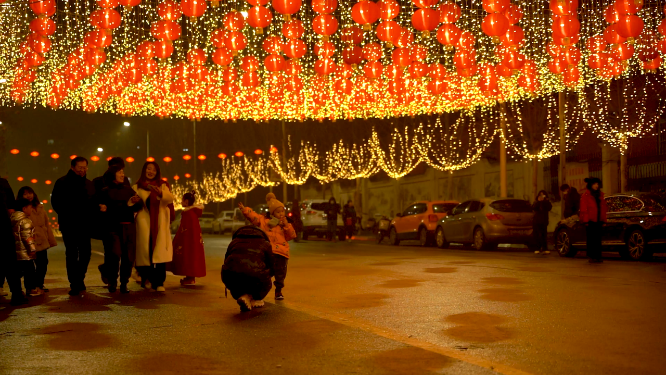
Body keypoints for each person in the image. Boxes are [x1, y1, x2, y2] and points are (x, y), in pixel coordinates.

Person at [51, 156, 95, 296]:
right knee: (71, 253)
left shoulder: (89, 184)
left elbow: (94, 202)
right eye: (80, 168)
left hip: (85, 225)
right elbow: (56, 202)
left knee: (86, 253)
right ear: (72, 167)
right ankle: (74, 283)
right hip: (69, 224)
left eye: (85, 168)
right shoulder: (62, 182)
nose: (83, 170)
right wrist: (68, 213)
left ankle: (79, 278)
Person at [239, 193, 296, 301]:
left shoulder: (285, 224)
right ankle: (258, 292)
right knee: (264, 273)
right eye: (278, 212)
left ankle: (278, 290)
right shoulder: (264, 221)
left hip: (282, 253)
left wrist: (286, 226)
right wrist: (245, 210)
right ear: (273, 213)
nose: (281, 214)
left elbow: (292, 235)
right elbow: (254, 216)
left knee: (280, 274)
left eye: (282, 211)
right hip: (268, 252)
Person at [97, 165, 142, 293]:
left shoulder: (129, 190)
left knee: (128, 257)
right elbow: (101, 208)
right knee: (114, 255)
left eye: (123, 172)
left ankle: (124, 282)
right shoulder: (105, 191)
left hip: (129, 227)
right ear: (113, 175)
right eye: (120, 172)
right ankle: (112, 281)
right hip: (113, 228)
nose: (123, 175)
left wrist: (135, 202)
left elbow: (139, 205)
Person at [130, 161, 174, 292]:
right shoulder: (137, 187)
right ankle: (146, 278)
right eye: (148, 169)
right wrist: (133, 201)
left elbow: (170, 199)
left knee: (159, 254)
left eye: (153, 170)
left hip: (159, 223)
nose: (151, 172)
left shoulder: (163, 185)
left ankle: (159, 282)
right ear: (144, 170)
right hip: (143, 223)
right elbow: (131, 204)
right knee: (145, 253)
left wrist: (161, 193)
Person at [93, 157, 130, 286]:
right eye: (117, 169)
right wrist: (100, 207)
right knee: (111, 251)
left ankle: (109, 272)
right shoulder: (99, 182)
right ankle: (110, 276)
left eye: (121, 169)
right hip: (106, 222)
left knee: (117, 252)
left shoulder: (125, 182)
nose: (120, 172)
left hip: (122, 222)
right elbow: (94, 199)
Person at [221, 226, 274, 312]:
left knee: (235, 274)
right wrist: (266, 275)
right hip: (256, 277)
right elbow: (272, 265)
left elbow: (226, 261)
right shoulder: (265, 243)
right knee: (262, 276)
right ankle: (256, 298)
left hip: (232, 278)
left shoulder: (234, 242)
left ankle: (243, 295)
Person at [16, 186, 57, 293]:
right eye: (25, 194)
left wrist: (50, 240)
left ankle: (39, 284)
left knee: (43, 263)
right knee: (29, 266)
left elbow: (46, 225)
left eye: (30, 193)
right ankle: (31, 286)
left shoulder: (40, 207)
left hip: (42, 240)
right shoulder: (21, 209)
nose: (28, 195)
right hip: (30, 240)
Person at [171, 191, 206, 286]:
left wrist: (179, 239)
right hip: (193, 242)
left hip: (188, 242)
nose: (181, 202)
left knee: (188, 257)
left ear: (186, 201)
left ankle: (190, 277)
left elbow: (185, 229)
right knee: (191, 257)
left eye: (182, 200)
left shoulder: (188, 214)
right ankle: (189, 277)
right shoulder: (192, 213)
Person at [9, 198, 38, 305]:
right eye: (30, 207)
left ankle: (17, 292)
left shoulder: (11, 219)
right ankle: (30, 289)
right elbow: (27, 237)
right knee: (30, 271)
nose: (32, 210)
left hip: (15, 253)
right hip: (25, 253)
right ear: (24, 208)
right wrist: (33, 249)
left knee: (15, 274)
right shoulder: (25, 221)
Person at [580, 177, 608, 264]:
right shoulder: (586, 196)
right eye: (594, 184)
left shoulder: (600, 195)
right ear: (590, 185)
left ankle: (598, 256)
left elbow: (603, 209)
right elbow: (584, 209)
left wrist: (604, 220)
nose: (596, 185)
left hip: (598, 219)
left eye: (597, 184)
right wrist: (586, 220)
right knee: (591, 239)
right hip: (591, 220)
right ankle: (592, 256)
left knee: (598, 239)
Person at [0, 177, 15, 298]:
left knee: (8, 259)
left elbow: (11, 204)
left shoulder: (3, 183)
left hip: (3, 227)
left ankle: (16, 292)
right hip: (3, 227)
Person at [532, 190, 552, 255]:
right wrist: (539, 201)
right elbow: (534, 207)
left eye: (543, 195)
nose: (541, 196)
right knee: (537, 235)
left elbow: (549, 208)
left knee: (544, 235)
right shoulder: (536, 202)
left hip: (544, 220)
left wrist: (545, 201)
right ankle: (537, 248)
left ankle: (545, 248)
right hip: (536, 220)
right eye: (540, 195)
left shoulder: (546, 202)